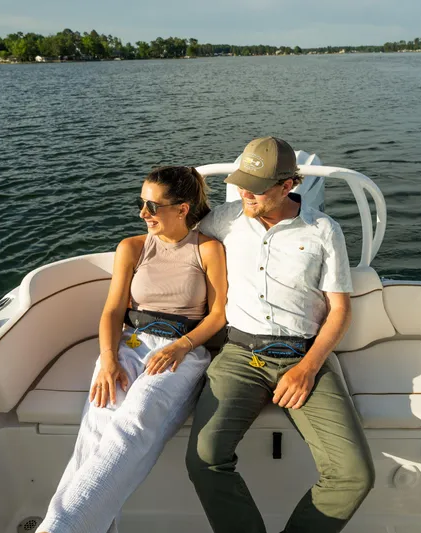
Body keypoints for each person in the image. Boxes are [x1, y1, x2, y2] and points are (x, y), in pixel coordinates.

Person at [186, 137, 375, 533]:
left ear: (288, 185)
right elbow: (176, 243)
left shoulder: (324, 230)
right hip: (239, 355)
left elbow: (340, 310)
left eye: (255, 188)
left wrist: (307, 369)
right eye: (241, 184)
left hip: (305, 354)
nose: (244, 193)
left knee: (354, 474)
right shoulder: (224, 219)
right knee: (205, 459)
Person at [38, 166, 227, 533]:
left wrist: (182, 347)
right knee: (98, 423)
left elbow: (218, 315)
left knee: (135, 418)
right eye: (141, 203)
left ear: (182, 209)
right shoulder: (133, 247)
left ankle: (60, 527)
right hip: (131, 343)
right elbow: (112, 310)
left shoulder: (207, 250)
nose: (143, 213)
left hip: (182, 350)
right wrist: (108, 358)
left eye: (153, 206)